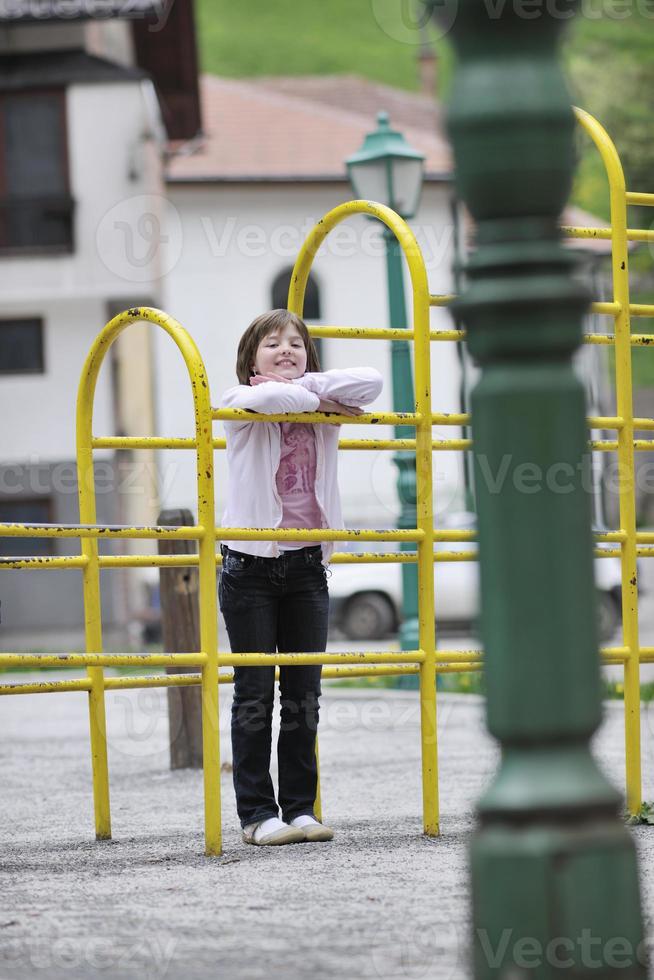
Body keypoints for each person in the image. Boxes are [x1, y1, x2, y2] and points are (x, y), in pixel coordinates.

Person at [218, 309, 383, 847]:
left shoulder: (310, 388)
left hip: (308, 564)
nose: (286, 350)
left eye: (296, 343)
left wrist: (309, 389)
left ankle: (300, 808)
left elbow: (372, 383)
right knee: (255, 694)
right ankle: (257, 815)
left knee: (304, 696)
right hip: (251, 566)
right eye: (272, 344)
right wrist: (320, 402)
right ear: (250, 360)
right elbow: (267, 400)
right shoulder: (238, 401)